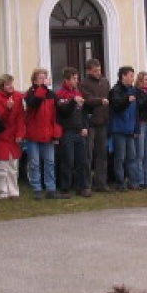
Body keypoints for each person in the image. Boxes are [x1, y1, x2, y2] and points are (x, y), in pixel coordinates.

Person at [20, 69, 59, 200]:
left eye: (45, 78)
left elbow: (55, 115)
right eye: (41, 78)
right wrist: (42, 88)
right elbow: (33, 104)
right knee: (35, 163)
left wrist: (56, 133)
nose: (44, 80)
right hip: (33, 134)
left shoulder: (51, 94)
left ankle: (51, 188)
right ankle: (37, 188)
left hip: (48, 134)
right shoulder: (29, 94)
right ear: (34, 80)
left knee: (50, 162)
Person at [55, 67, 92, 198]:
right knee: (68, 161)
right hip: (68, 132)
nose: (77, 81)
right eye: (74, 78)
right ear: (67, 80)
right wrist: (72, 102)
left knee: (82, 161)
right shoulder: (60, 94)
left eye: (77, 78)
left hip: (80, 131)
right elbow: (63, 112)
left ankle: (82, 187)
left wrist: (85, 126)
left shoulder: (78, 92)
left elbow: (83, 112)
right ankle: (65, 188)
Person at [0, 74, 24, 200]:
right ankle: (2, 192)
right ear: (2, 86)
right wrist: (8, 109)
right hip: (1, 136)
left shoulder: (18, 96)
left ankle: (14, 191)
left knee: (13, 166)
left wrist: (20, 133)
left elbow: (20, 117)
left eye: (11, 84)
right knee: (1, 167)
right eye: (7, 84)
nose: (10, 86)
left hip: (13, 136)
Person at [107, 66, 140, 191]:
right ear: (123, 76)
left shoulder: (133, 90)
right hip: (119, 129)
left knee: (131, 157)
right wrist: (127, 100)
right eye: (131, 76)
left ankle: (133, 182)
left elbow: (136, 112)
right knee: (119, 158)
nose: (132, 78)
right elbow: (116, 107)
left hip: (130, 129)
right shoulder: (115, 91)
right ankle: (120, 183)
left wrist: (136, 129)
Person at [82, 60, 112, 192]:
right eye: (95, 71)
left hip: (103, 122)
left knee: (102, 154)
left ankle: (101, 183)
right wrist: (100, 101)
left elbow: (109, 97)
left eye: (99, 70)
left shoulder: (105, 82)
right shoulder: (83, 84)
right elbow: (87, 100)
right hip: (90, 123)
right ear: (88, 71)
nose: (98, 73)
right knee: (88, 155)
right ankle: (87, 185)